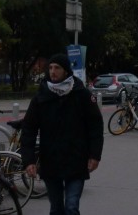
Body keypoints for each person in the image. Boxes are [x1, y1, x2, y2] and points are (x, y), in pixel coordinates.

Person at [21, 53, 104, 215]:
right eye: (50, 68)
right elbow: (29, 129)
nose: (53, 71)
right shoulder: (41, 97)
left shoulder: (82, 94)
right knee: (56, 208)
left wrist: (95, 155)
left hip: (76, 159)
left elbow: (95, 126)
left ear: (66, 71)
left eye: (57, 68)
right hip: (51, 161)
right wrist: (29, 160)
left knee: (72, 207)